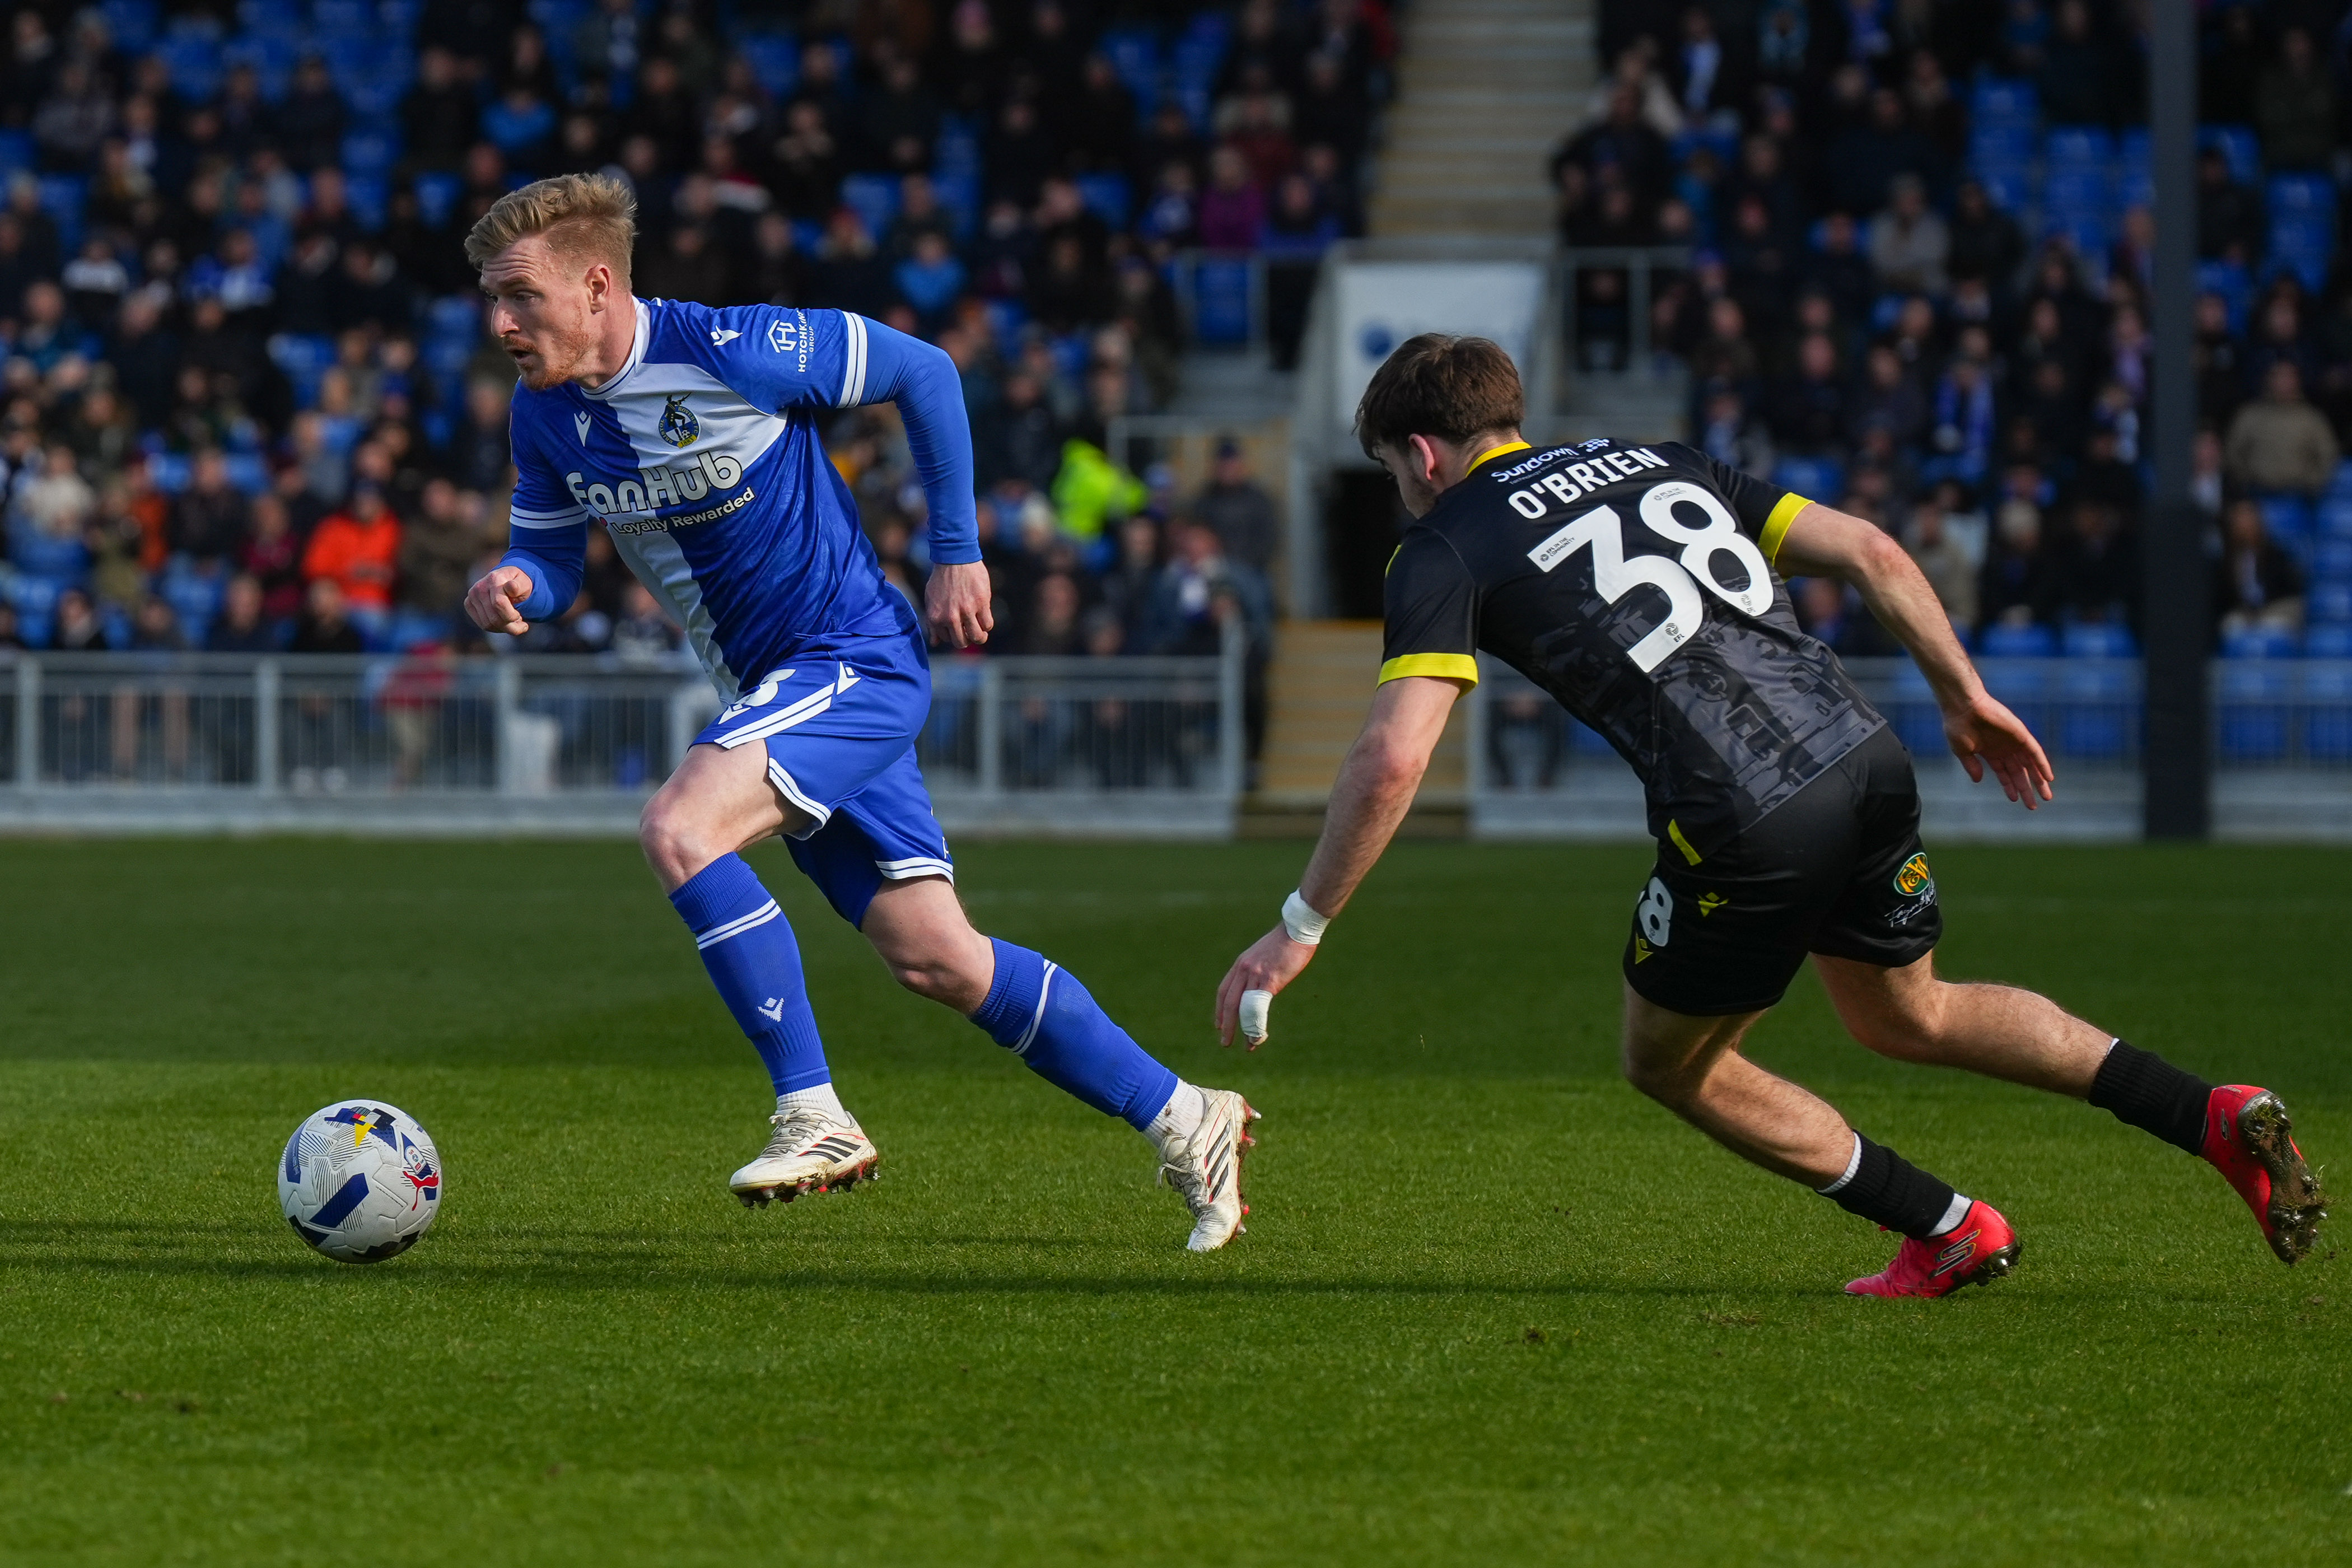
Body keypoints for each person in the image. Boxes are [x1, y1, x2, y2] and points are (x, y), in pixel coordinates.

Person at [1214, 335, 2327, 1298]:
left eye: (1391, 472)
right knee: (1910, 1014)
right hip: (1864, 757)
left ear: (1421, 454)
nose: (1402, 493)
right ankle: (2207, 1112)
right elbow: (1875, 551)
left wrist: (1299, 926)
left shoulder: (1445, 540)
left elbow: (1394, 754)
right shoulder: (1657, 458)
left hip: (1743, 816)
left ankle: (1946, 1227)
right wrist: (1964, 694)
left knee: (1670, 1063)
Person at [462, 174, 1256, 1248]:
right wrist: (518, 584)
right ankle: (1187, 1115)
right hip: (778, 696)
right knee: (938, 958)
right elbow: (553, 557)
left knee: (680, 828)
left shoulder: (733, 349)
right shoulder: (545, 414)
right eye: (492, 300)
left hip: (851, 661)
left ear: (597, 285)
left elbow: (923, 371)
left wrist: (957, 550)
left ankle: (813, 1112)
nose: (501, 323)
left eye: (520, 296)